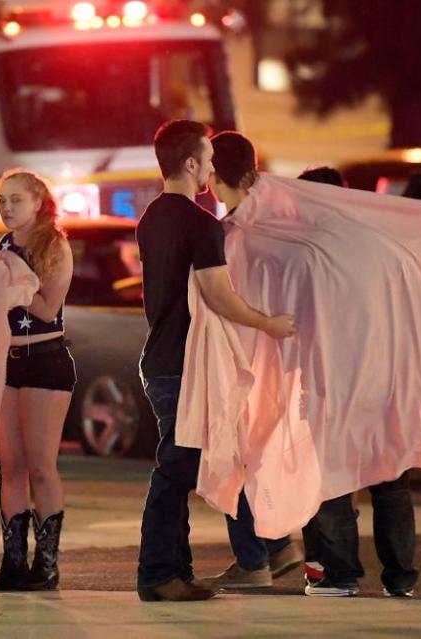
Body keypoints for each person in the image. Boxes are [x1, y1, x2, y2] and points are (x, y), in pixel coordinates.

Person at [208, 138, 418, 599]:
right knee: (390, 476)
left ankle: (337, 573)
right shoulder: (380, 244)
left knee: (332, 477)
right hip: (386, 377)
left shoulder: (300, 249)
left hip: (331, 380)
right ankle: (400, 576)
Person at [135, 120, 296, 603]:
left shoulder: (152, 218)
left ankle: (177, 573)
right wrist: (269, 323)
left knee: (185, 466)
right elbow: (219, 297)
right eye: (206, 158)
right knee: (176, 470)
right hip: (187, 363)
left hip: (161, 357)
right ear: (189, 164)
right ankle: (158, 574)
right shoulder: (199, 223)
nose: (211, 166)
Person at [202, 131, 305, 591]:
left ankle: (254, 557)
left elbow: (224, 301)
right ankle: (277, 544)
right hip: (278, 352)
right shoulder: (283, 226)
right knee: (254, 454)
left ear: (212, 176)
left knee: (235, 456)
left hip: (244, 354)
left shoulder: (232, 234)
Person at [0, 169, 76, 592]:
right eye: (2, 200)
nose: (7, 207)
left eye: (16, 199)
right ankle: (14, 562)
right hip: (6, 362)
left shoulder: (53, 244)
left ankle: (47, 564)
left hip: (45, 359)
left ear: (39, 202)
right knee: (12, 467)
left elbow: (46, 307)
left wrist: (16, 282)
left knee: (41, 465)